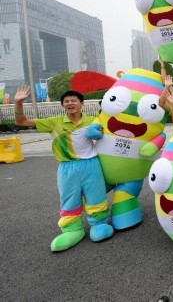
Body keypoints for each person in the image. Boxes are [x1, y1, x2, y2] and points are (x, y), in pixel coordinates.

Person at [14, 86, 113, 252]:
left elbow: (108, 131)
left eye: (73, 100)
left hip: (92, 164)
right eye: (66, 101)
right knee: (69, 199)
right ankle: (72, 230)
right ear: (62, 105)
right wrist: (18, 102)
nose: (70, 103)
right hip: (67, 167)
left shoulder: (93, 120)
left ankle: (99, 225)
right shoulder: (55, 122)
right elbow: (21, 122)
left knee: (96, 197)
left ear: (81, 103)